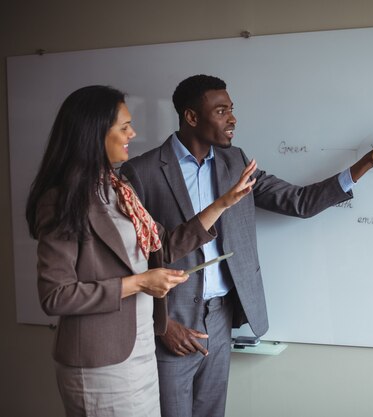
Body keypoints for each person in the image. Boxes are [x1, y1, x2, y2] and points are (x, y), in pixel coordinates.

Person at [120, 75, 373, 417]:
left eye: (232, 109)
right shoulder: (141, 173)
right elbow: (131, 260)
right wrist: (163, 324)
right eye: (220, 111)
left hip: (221, 315)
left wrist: (368, 162)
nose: (232, 119)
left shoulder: (235, 163)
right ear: (191, 117)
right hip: (172, 318)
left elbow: (299, 202)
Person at [25, 85, 256, 417]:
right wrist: (139, 283)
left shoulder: (120, 189)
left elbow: (166, 244)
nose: (133, 133)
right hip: (100, 363)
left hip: (142, 352)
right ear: (93, 134)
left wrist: (223, 203)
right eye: (124, 127)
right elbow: (56, 296)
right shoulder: (62, 199)